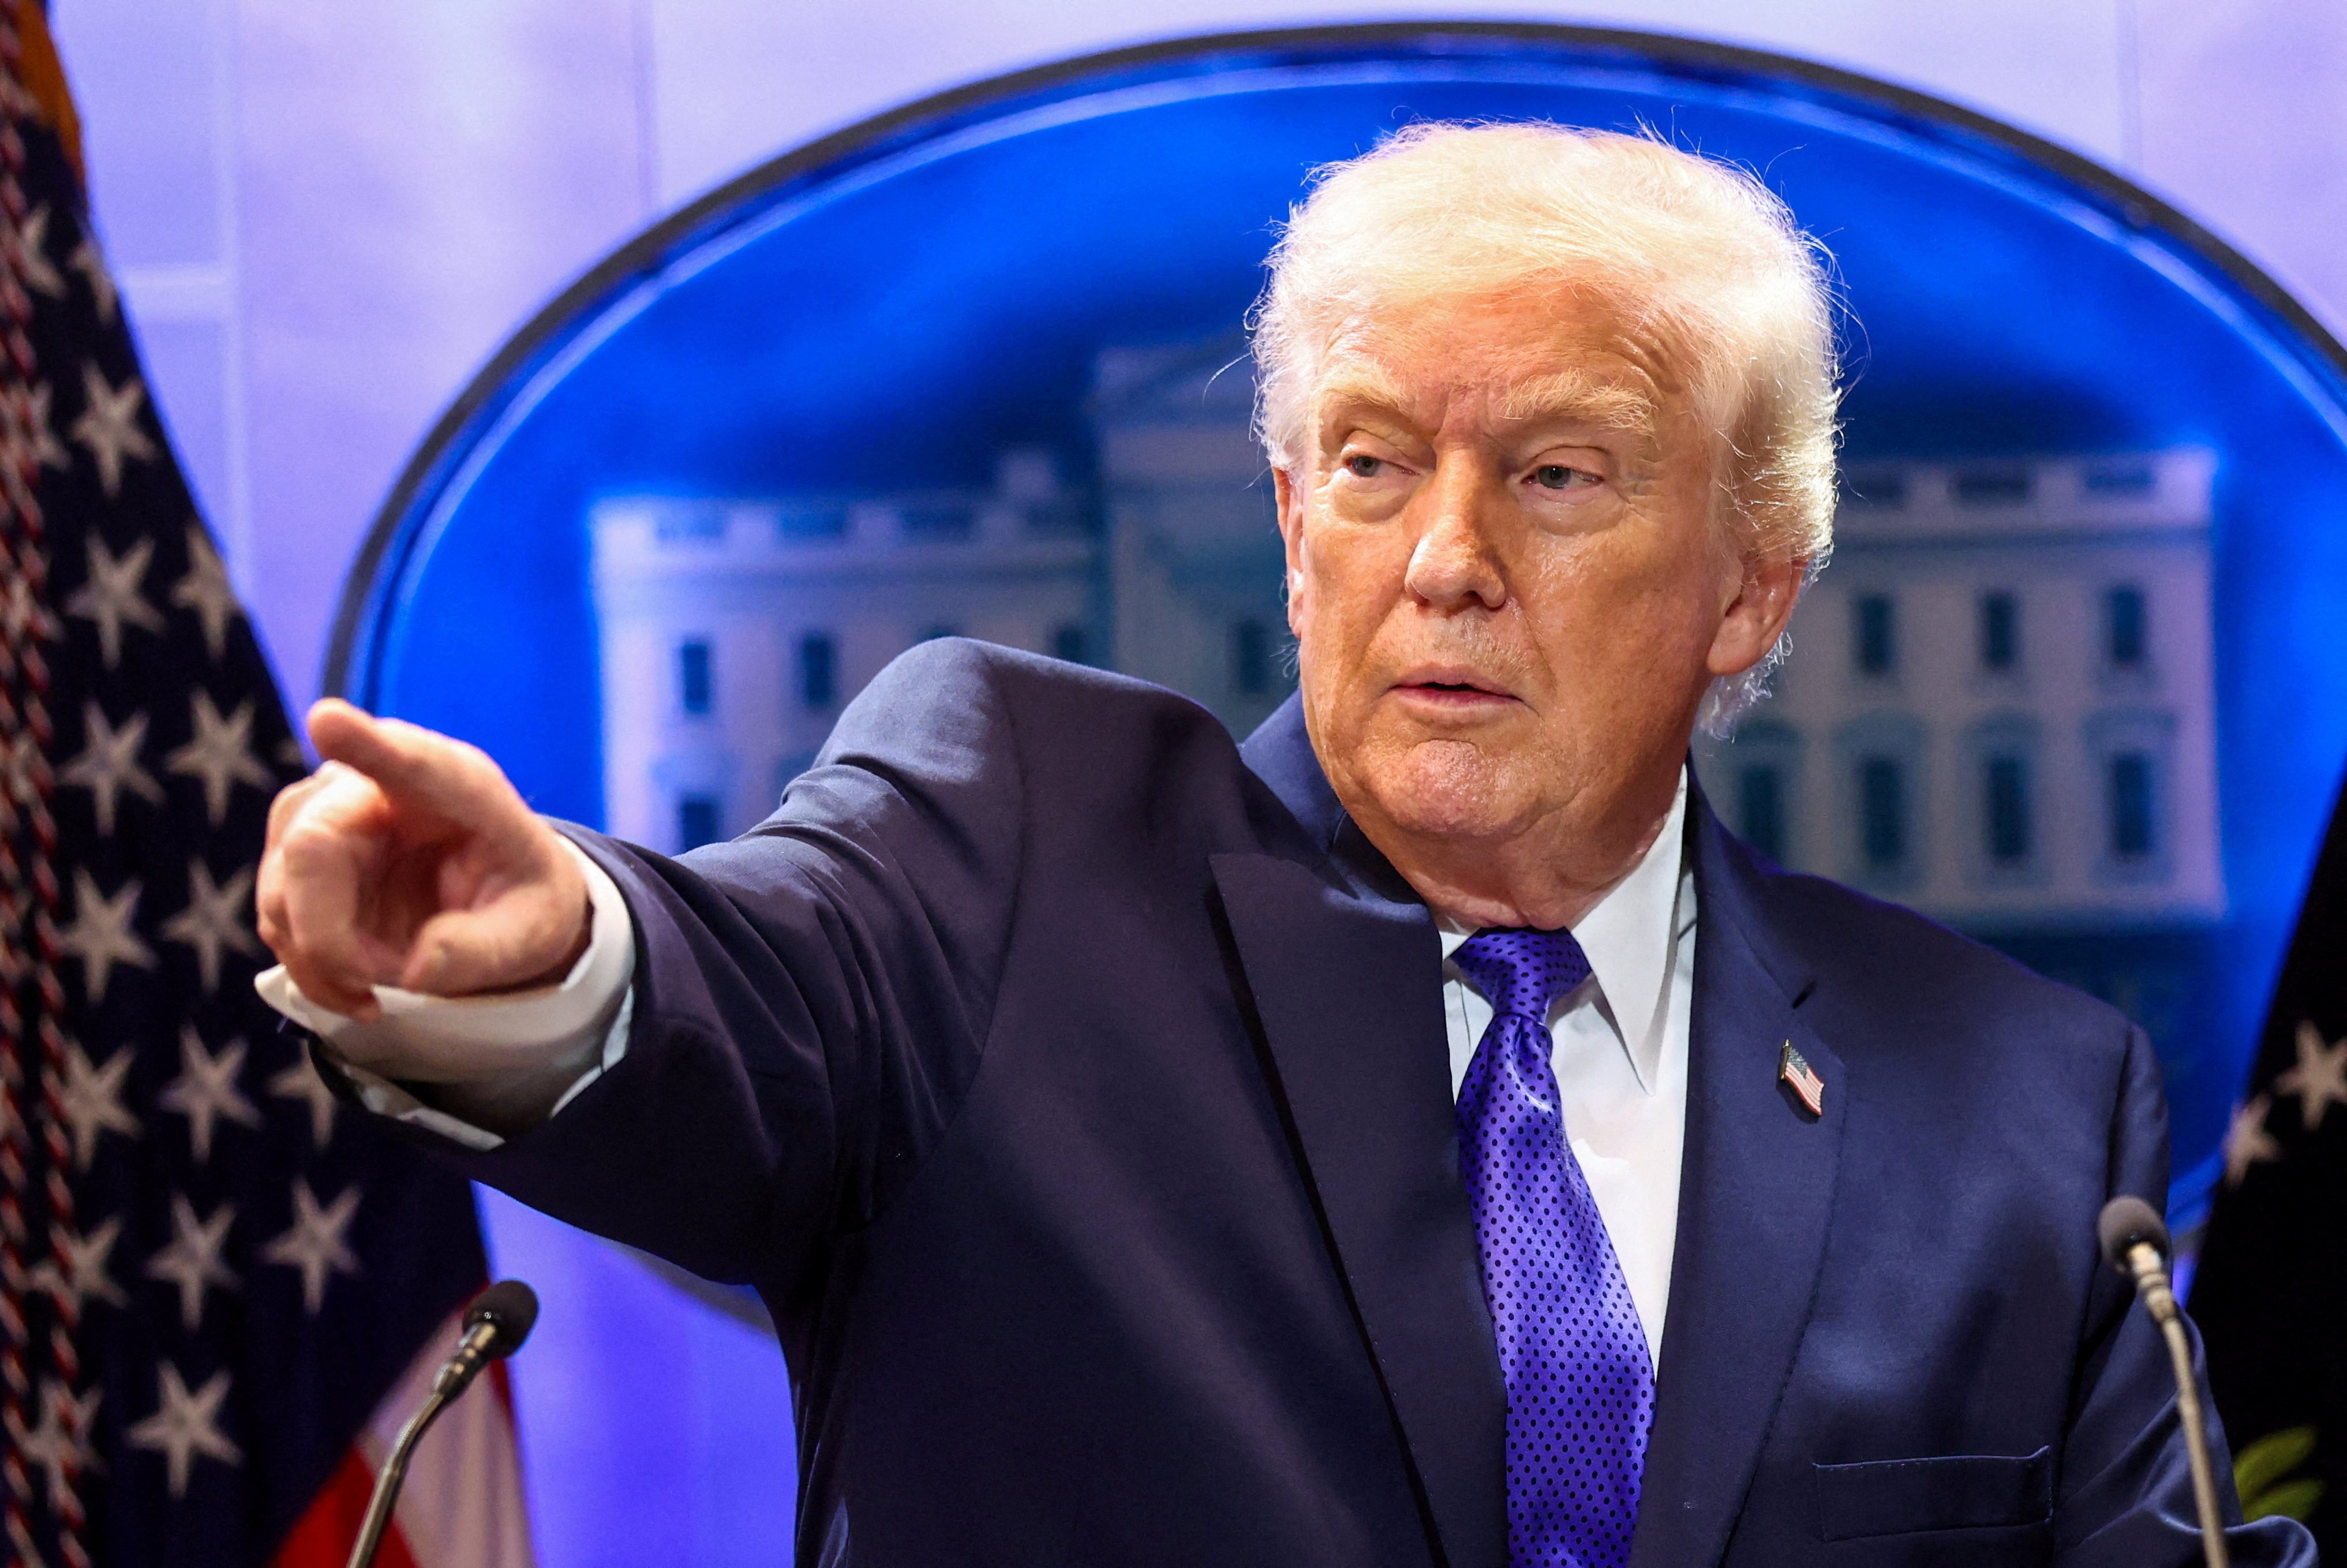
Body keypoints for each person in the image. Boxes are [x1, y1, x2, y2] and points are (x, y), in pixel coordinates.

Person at [256, 124, 2315, 1567]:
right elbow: (747, 988)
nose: (1443, 559)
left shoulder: (2021, 1104)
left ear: (1748, 588)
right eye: (1372, 463)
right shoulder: (1004, 855)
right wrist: (554, 956)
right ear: (1287, 521)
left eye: (1558, 474)